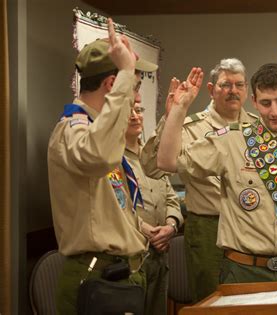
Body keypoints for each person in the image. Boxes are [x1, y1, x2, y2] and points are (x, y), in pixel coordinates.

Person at [156, 64, 277, 284]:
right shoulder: (232, 140)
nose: (274, 112)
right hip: (243, 272)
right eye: (265, 103)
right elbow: (167, 161)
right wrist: (180, 108)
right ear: (254, 102)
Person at [47, 18, 159, 313]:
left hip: (121, 275)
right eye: (132, 87)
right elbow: (98, 158)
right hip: (98, 277)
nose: (135, 97)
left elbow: (111, 203)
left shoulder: (100, 132)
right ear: (112, 84)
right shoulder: (74, 130)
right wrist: (125, 74)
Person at [140, 58, 257, 301]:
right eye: (225, 85)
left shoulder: (259, 129)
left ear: (246, 89)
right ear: (211, 90)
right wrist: (172, 116)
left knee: (252, 300)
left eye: (239, 85)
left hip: (252, 226)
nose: (233, 91)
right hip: (208, 229)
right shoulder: (189, 126)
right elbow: (152, 168)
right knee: (210, 301)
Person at [125, 102, 183, 315]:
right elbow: (113, 206)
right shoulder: (112, 160)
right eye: (128, 111)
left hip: (160, 253)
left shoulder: (152, 157)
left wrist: (171, 226)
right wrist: (146, 230)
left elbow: (171, 198)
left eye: (139, 110)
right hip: (132, 256)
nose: (135, 116)